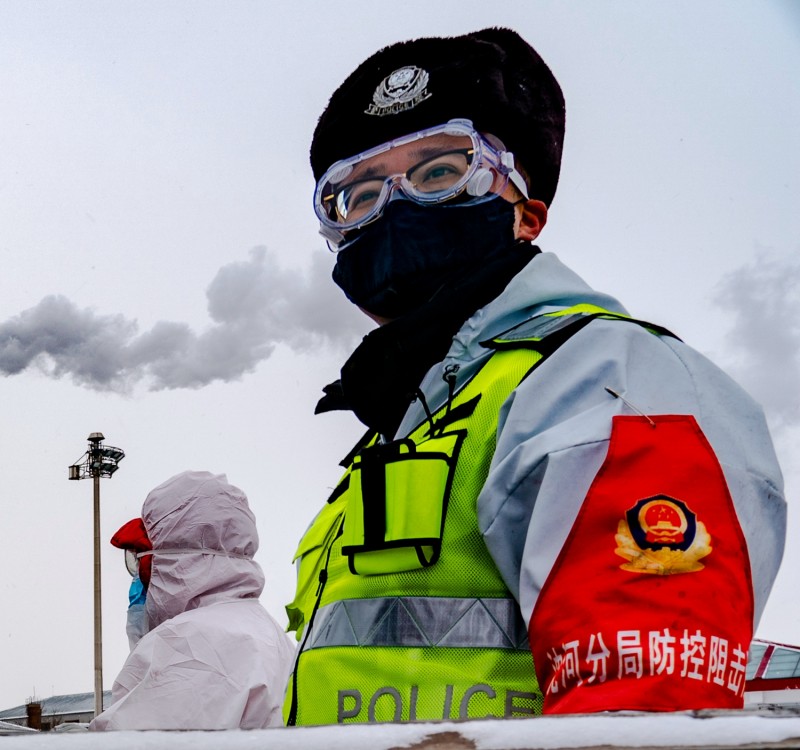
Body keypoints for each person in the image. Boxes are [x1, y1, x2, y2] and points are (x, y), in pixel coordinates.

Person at [283, 28, 786, 725]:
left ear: (527, 212)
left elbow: (637, 723)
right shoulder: (400, 431)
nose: (394, 208)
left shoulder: (606, 383)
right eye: (358, 195)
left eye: (438, 173)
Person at [90, 471, 295, 730]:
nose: (138, 580)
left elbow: (130, 741)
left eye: (140, 559)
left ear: (173, 561)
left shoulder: (185, 642)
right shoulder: (272, 636)